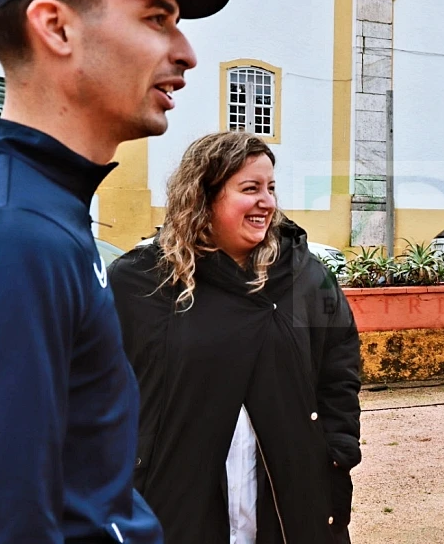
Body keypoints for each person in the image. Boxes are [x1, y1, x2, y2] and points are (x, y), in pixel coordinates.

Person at [0, 0, 230, 541]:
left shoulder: (37, 206)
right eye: (157, 18)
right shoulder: (1, 233)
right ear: (56, 26)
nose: (186, 53)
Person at [109, 132, 362, 544]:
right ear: (204, 195)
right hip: (177, 498)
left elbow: (339, 370)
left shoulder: (303, 277)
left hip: (287, 497)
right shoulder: (142, 281)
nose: (267, 202)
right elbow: (104, 387)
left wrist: (335, 449)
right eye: (250, 188)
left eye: (271, 188)